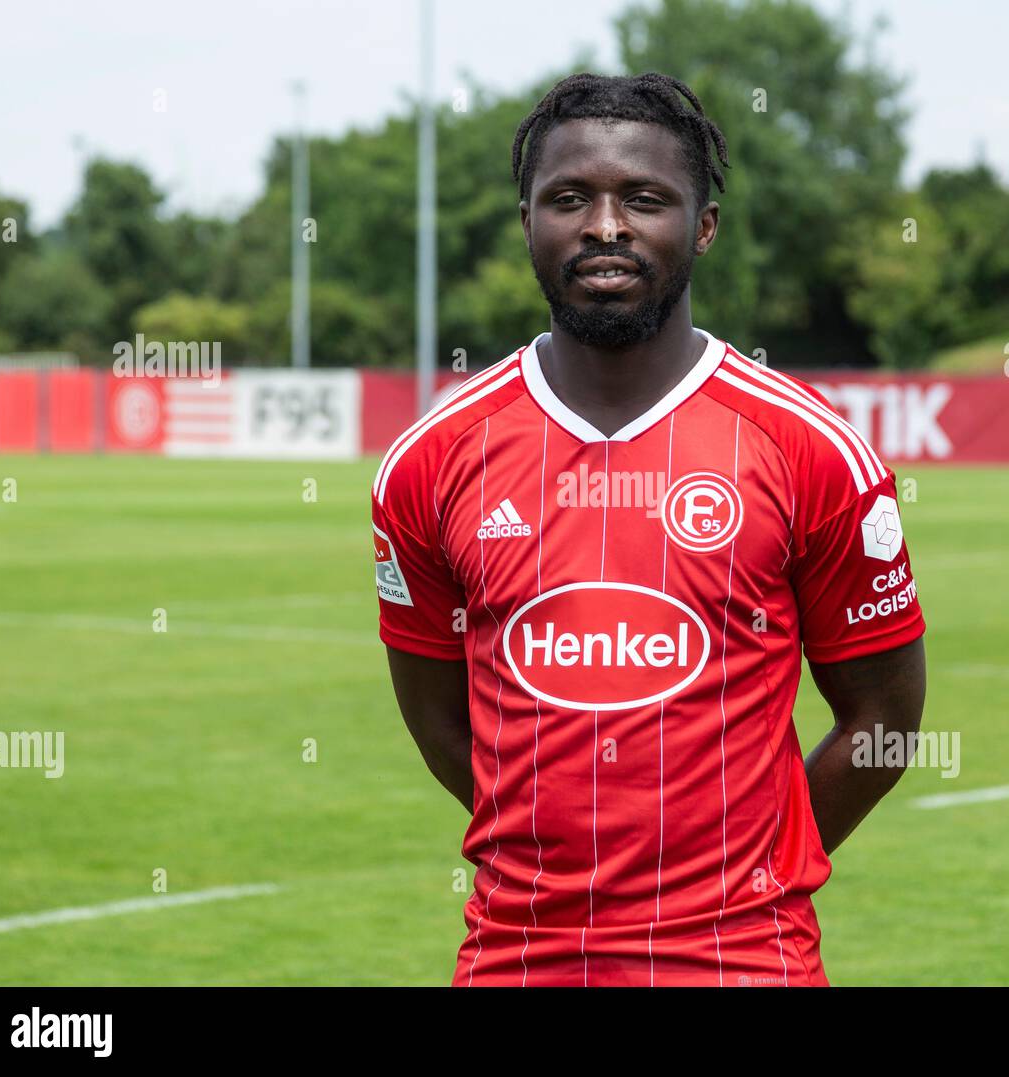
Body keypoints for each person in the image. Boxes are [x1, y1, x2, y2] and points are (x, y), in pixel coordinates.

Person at [371, 71, 926, 986]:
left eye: (644, 199)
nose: (605, 226)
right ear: (527, 222)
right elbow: (438, 717)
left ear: (702, 226)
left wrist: (751, 868)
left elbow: (888, 721)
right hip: (520, 958)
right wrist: (553, 852)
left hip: (744, 959)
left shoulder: (812, 449)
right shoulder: (430, 460)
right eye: (569, 198)